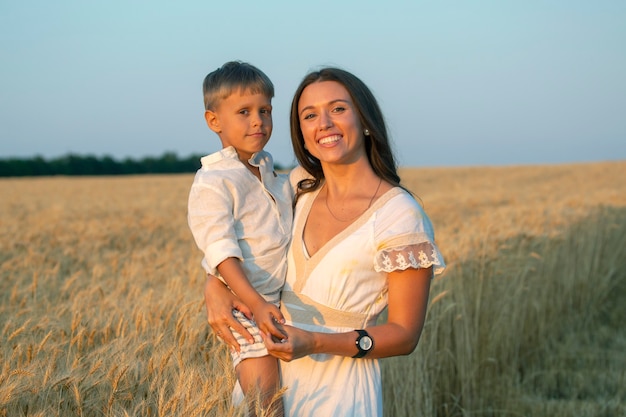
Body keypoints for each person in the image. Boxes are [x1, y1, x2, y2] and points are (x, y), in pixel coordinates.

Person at [205, 67, 445, 416]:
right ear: (301, 133)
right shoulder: (294, 190)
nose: (324, 124)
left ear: (364, 119)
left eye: (338, 109)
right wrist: (213, 283)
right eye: (310, 115)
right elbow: (235, 238)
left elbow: (405, 335)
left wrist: (315, 341)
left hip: (338, 392)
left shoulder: (398, 215)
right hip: (266, 385)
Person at [187, 61, 292, 416]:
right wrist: (255, 303)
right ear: (214, 120)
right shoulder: (214, 181)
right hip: (247, 307)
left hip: (278, 302)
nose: (258, 121)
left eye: (265, 110)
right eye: (244, 112)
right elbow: (221, 252)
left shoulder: (270, 172)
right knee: (267, 404)